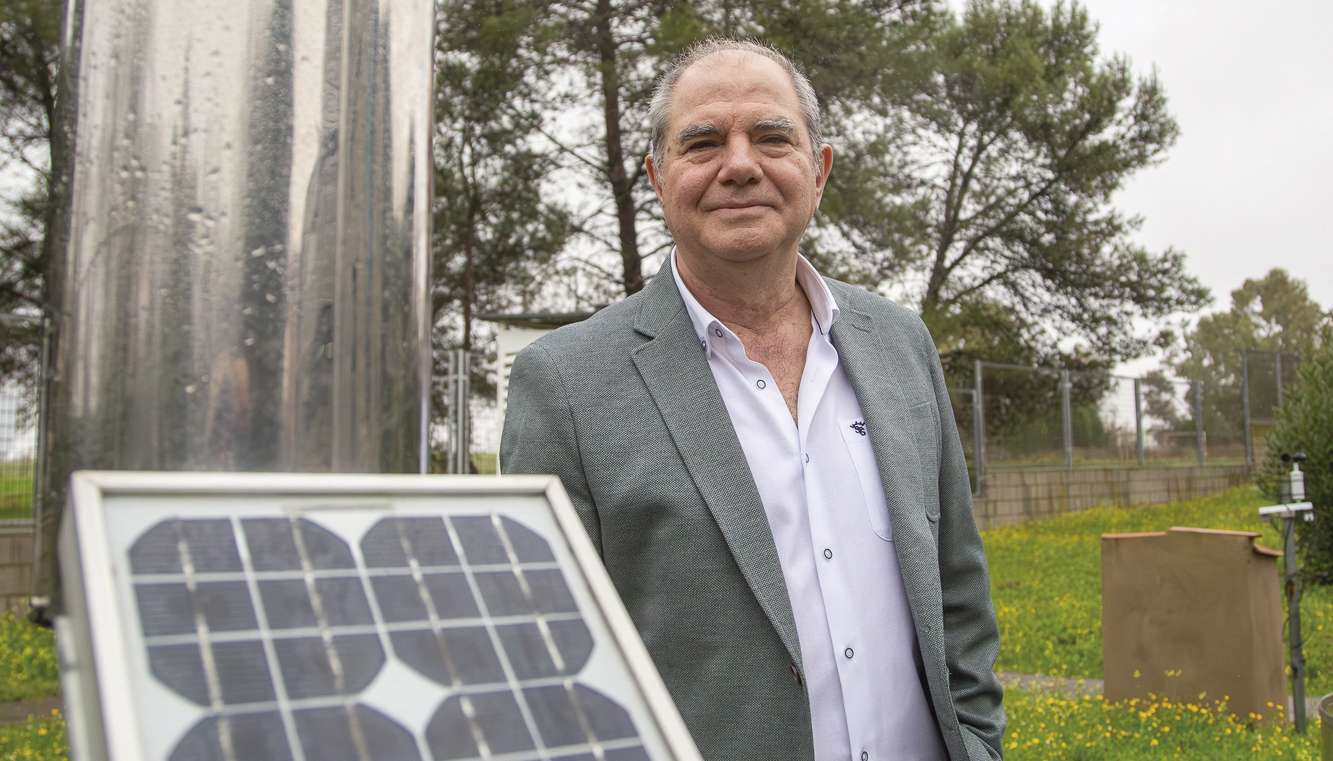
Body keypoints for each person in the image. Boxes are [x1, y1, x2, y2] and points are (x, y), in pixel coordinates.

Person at [502, 38, 1004, 761]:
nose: (739, 165)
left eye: (771, 137)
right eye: (702, 142)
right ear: (657, 175)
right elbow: (545, 659)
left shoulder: (900, 344)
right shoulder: (566, 383)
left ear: (818, 169)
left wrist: (979, 744)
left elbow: (956, 586)